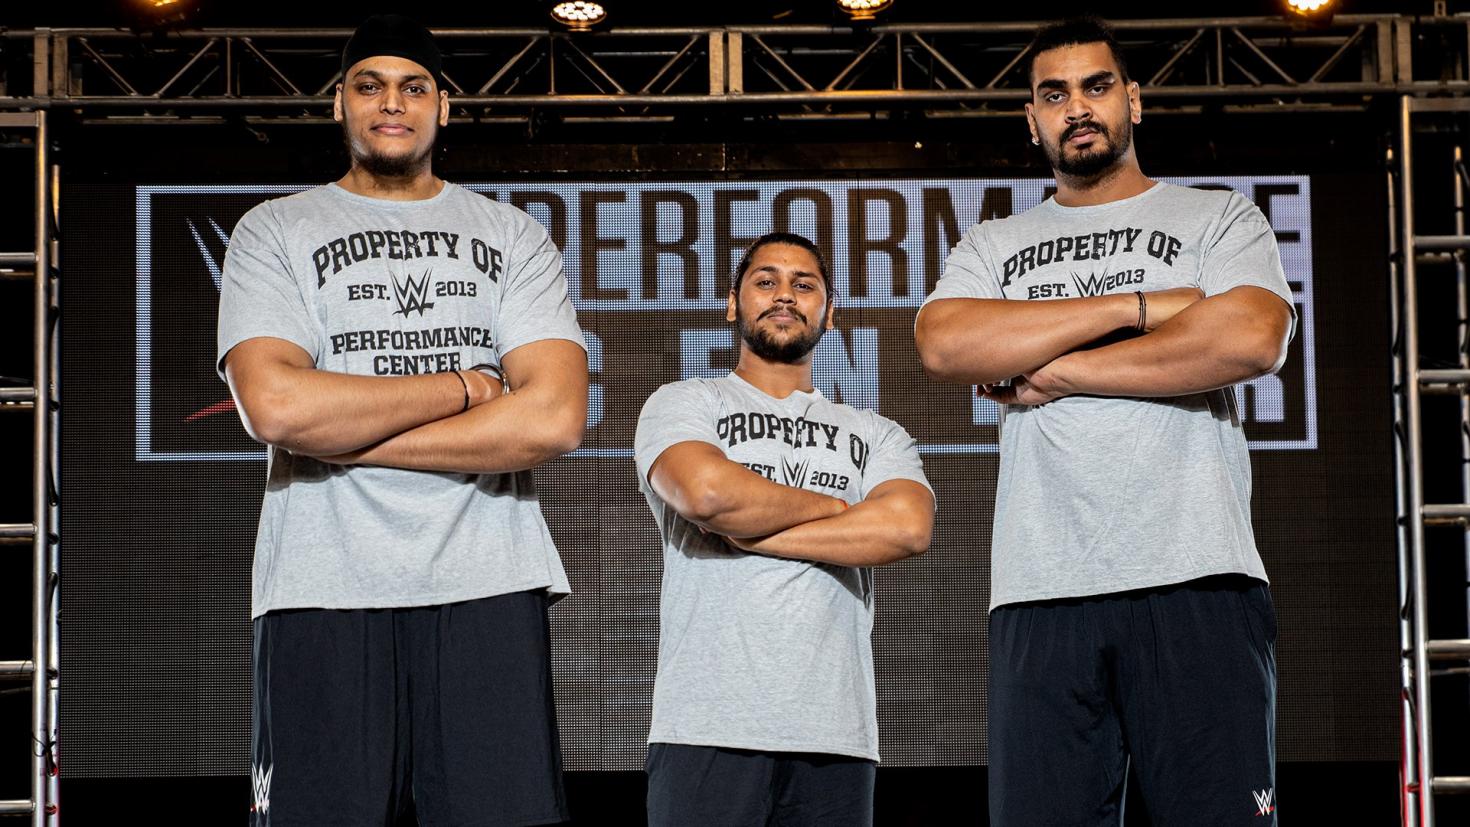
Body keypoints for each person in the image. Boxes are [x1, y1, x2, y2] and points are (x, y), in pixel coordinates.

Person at [914, 16, 1294, 826]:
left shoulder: (1219, 218)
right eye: (1054, 95)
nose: (1077, 108)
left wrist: (1059, 369)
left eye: (1096, 87)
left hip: (1199, 575)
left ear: (1134, 100)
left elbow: (1253, 336)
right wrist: (1140, 306)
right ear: (1032, 120)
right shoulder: (993, 242)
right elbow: (945, 341)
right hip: (1042, 587)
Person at [216, 14, 587, 826]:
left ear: (443, 107)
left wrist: (344, 431)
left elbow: (554, 418)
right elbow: (277, 406)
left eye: (414, 87)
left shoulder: (512, 234)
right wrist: (466, 386)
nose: (393, 103)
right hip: (319, 584)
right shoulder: (274, 230)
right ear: (338, 104)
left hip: (488, 581)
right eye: (370, 85)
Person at [633, 231, 935, 827]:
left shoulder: (876, 432)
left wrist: (750, 532)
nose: (785, 295)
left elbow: (906, 527)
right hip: (705, 726)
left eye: (805, 285)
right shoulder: (686, 402)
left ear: (830, 312)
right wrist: (842, 510)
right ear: (732, 303)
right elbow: (708, 494)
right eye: (765, 281)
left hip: (836, 732)